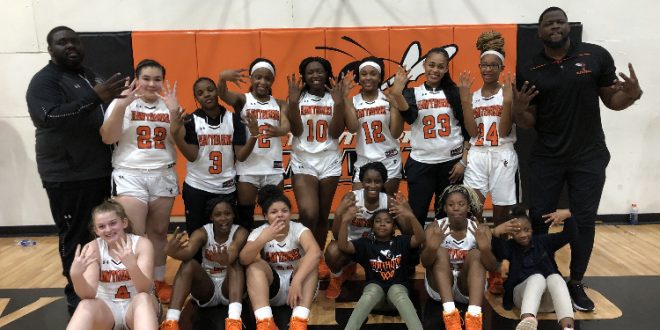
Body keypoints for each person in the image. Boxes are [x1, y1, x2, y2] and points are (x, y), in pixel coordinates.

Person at [513, 6, 643, 311]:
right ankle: (546, 274)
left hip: (589, 156)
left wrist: (632, 95)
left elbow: (613, 100)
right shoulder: (530, 68)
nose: (555, 27)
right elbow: (527, 121)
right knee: (539, 219)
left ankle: (576, 282)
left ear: (568, 26)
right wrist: (519, 109)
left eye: (560, 21)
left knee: (583, 221)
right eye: (548, 23)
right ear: (540, 31)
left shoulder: (595, 56)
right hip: (547, 156)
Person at [25, 26, 127, 314]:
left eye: (74, 41)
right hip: (67, 175)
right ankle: (76, 296)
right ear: (50, 50)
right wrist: (96, 96)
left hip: (97, 170)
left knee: (100, 233)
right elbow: (48, 117)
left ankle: (99, 287)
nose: (70, 46)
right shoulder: (44, 82)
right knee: (75, 236)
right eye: (62, 42)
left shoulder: (87, 74)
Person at [99, 59, 181, 303]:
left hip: (163, 173)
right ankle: (134, 282)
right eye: (146, 78)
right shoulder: (122, 102)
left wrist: (175, 113)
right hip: (130, 173)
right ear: (136, 80)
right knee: (134, 233)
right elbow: (107, 137)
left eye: (157, 79)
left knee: (158, 231)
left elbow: (180, 141)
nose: (152, 84)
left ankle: (158, 280)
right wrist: (122, 106)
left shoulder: (169, 106)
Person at [458, 30, 517, 295]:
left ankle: (497, 270)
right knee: (474, 212)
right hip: (479, 155)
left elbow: (503, 132)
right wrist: (465, 100)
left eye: (494, 65)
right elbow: (471, 132)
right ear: (479, 66)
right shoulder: (475, 95)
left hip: (502, 154)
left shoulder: (507, 92)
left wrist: (507, 101)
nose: (489, 69)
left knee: (502, 216)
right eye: (485, 64)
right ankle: (478, 261)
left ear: (502, 67)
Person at [170, 77, 255, 259]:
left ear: (217, 92)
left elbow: (241, 155)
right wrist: (177, 136)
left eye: (210, 89)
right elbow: (192, 155)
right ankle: (199, 277)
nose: (206, 94)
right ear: (196, 98)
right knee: (196, 237)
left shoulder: (234, 119)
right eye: (200, 93)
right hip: (198, 187)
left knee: (229, 236)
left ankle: (230, 275)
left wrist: (254, 135)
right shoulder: (190, 120)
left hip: (226, 188)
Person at [388, 48, 471, 226]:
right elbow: (410, 116)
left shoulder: (454, 93)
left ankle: (445, 252)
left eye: (440, 67)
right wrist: (397, 93)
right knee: (416, 215)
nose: (435, 70)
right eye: (431, 65)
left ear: (447, 69)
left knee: (446, 217)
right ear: (424, 65)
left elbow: (467, 130)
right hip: (421, 163)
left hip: (451, 165)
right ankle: (417, 253)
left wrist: (463, 161)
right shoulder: (412, 93)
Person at [287, 57, 346, 280]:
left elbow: (335, 133)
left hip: (329, 159)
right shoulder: (298, 98)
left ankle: (316, 258)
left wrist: (340, 103)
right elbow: (296, 129)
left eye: (320, 72)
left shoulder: (335, 97)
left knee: (322, 215)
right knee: (308, 213)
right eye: (310, 72)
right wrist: (292, 103)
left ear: (327, 74)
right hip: (304, 159)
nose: (315, 76)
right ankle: (304, 255)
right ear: (304, 76)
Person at [218, 58, 291, 230]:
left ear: (272, 81)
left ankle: (274, 253)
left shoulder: (280, 103)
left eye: (267, 78)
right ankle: (246, 254)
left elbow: (286, 124)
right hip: (249, 168)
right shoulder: (243, 99)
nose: (262, 82)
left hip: (273, 167)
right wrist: (222, 78)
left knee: (276, 217)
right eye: (258, 77)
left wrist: (281, 131)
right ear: (251, 78)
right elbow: (222, 94)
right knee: (245, 217)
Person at [476, 207, 576, 330]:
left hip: (549, 302)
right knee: (537, 278)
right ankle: (527, 321)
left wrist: (568, 215)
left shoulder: (544, 241)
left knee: (556, 277)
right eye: (517, 232)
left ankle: (568, 327)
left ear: (532, 229)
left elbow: (569, 235)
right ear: (511, 233)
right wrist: (496, 233)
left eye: (526, 230)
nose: (523, 235)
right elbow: (499, 254)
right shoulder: (510, 247)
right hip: (522, 299)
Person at [67, 200, 159, 330]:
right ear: (96, 230)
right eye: (101, 226)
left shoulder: (142, 244)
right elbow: (88, 295)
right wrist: (76, 275)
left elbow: (144, 288)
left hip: (136, 305)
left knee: (143, 298)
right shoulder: (92, 248)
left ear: (124, 223)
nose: (108, 229)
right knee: (85, 305)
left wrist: (132, 266)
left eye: (113, 223)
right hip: (106, 310)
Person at [239, 185, 321, 330]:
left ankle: (299, 321)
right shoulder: (260, 232)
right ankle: (265, 322)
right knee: (254, 265)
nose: (280, 215)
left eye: (285, 210)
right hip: (273, 287)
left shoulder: (299, 229)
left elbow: (315, 253)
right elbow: (243, 259)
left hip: (299, 287)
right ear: (265, 216)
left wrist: (296, 280)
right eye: (274, 212)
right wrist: (262, 239)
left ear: (290, 213)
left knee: (310, 261)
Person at [160, 197, 249, 330]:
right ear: (211, 217)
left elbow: (233, 251)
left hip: (229, 287)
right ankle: (171, 322)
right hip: (207, 289)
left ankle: (234, 321)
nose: (223, 218)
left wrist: (226, 259)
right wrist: (173, 253)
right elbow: (188, 253)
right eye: (218, 214)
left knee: (235, 263)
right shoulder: (202, 232)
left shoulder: (240, 232)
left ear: (233, 215)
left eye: (227, 213)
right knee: (188, 264)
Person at [338, 195, 425, 330]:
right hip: (375, 299)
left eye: (387, 221)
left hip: (397, 298)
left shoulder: (401, 241)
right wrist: (344, 221)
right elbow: (343, 246)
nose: (382, 224)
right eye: (378, 221)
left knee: (397, 290)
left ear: (394, 226)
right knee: (372, 290)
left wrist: (411, 216)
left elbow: (420, 238)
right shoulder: (365, 244)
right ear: (372, 226)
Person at [420, 185, 485, 330]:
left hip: (466, 287)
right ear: (444, 208)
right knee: (440, 251)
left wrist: (485, 249)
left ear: (468, 207)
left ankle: (474, 318)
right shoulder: (434, 228)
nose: (456, 208)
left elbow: (492, 266)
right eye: (451, 204)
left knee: (476, 254)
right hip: (439, 288)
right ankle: (450, 317)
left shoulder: (478, 229)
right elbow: (425, 263)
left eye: (461, 204)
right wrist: (431, 247)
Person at [324, 162, 390, 299]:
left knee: (384, 281)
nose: (372, 185)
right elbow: (336, 235)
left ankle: (361, 269)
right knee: (332, 252)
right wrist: (340, 215)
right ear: (362, 181)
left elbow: (402, 233)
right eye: (368, 181)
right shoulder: (351, 198)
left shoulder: (388, 201)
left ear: (383, 182)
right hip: (350, 244)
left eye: (377, 181)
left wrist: (407, 215)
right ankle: (337, 278)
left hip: (374, 247)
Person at [344, 57, 404, 195]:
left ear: (379, 77)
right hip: (364, 160)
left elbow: (396, 133)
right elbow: (353, 128)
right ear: (358, 78)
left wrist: (395, 105)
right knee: (359, 208)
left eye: (373, 73)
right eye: (364, 74)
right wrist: (344, 99)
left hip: (389, 159)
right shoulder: (353, 101)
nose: (368, 77)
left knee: (387, 208)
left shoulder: (388, 99)